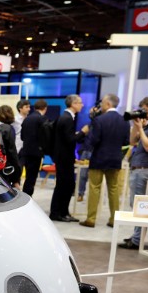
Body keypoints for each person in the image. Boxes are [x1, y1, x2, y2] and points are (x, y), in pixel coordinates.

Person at [119, 96, 148, 249]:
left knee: (140, 206)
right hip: (138, 168)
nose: (143, 113)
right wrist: (136, 125)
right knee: (135, 205)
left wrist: (141, 129)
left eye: (145, 110)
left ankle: (137, 240)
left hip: (145, 169)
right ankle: (136, 237)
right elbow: (132, 142)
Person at [79, 94, 127, 228]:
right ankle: (114, 220)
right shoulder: (124, 120)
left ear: (107, 104)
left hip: (98, 159)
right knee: (113, 189)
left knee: (94, 188)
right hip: (115, 160)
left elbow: (94, 140)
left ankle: (91, 219)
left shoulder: (99, 120)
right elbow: (126, 141)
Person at [49, 94, 87, 222]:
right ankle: (58, 213)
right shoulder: (67, 118)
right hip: (64, 159)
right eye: (80, 102)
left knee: (65, 185)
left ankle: (62, 212)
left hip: (64, 157)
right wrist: (83, 132)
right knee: (65, 185)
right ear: (73, 104)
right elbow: (70, 140)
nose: (82, 105)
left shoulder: (65, 117)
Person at [19, 99, 48, 195]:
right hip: (36, 154)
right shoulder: (42, 119)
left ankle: (24, 197)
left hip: (25, 152)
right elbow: (46, 137)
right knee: (31, 179)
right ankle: (28, 199)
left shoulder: (27, 119)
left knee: (26, 177)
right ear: (45, 108)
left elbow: (22, 137)